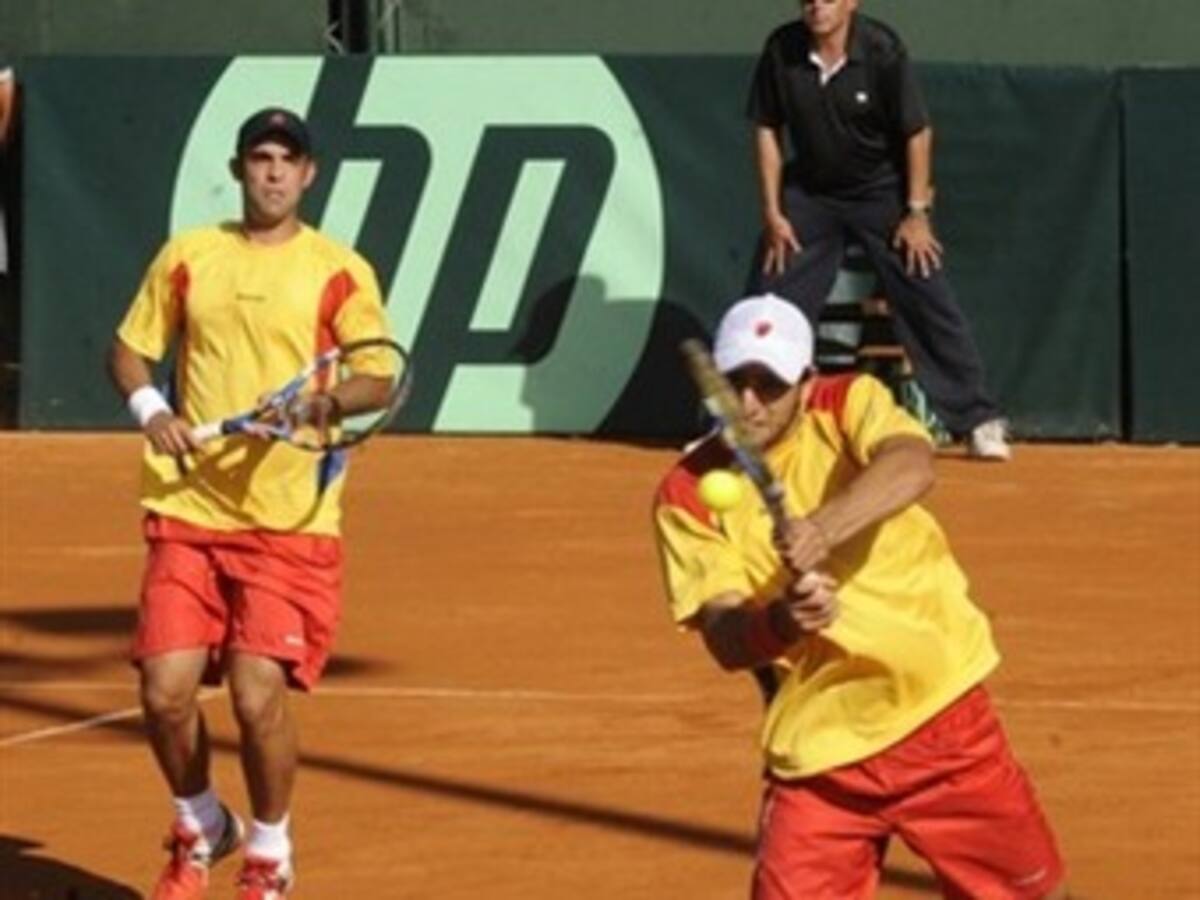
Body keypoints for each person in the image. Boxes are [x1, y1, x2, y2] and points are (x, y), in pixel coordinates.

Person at [652, 294, 1067, 898]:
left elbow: (913, 464)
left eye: (770, 385)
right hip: (820, 758)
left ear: (807, 381)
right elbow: (725, 636)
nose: (749, 403)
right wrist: (783, 621)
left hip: (940, 720)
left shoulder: (849, 403)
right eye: (735, 382)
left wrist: (822, 529)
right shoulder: (686, 494)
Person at [107, 107, 394, 900]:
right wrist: (151, 411)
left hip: (288, 522)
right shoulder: (189, 255)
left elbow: (377, 378)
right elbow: (129, 351)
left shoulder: (339, 270)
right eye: (260, 158)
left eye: (286, 160)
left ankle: (269, 852)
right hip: (189, 507)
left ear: (308, 174)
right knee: (164, 693)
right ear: (239, 170)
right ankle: (202, 824)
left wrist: (320, 406)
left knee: (254, 692)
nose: (273, 172)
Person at [747, 0, 1012, 460]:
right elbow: (767, 128)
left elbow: (917, 133)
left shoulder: (882, 49)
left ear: (851, 3)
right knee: (770, 297)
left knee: (924, 287)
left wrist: (916, 212)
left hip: (881, 192)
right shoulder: (780, 49)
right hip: (810, 192)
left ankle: (977, 420)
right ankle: (742, 424)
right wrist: (773, 212)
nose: (816, 5)